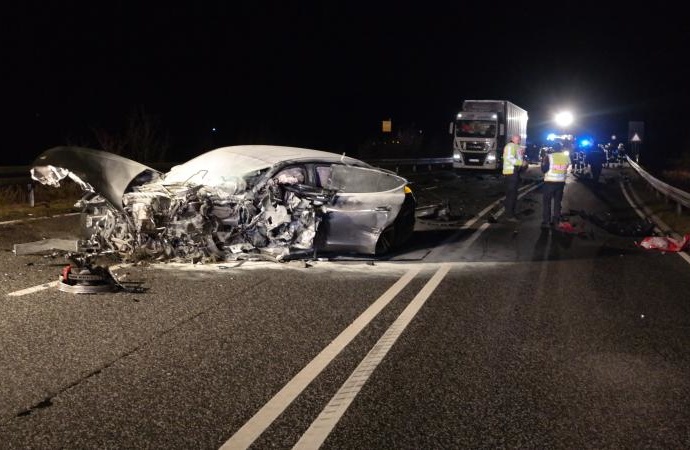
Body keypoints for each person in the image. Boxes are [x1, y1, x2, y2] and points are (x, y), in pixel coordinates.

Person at [541, 141, 571, 229]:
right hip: (561, 183)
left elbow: (544, 169)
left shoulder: (549, 157)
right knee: (557, 203)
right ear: (561, 149)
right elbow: (569, 168)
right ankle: (556, 222)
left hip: (549, 182)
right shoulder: (566, 157)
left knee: (547, 203)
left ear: (553, 149)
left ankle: (546, 222)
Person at [502, 134, 527, 221]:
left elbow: (518, 157)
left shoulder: (517, 146)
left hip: (514, 172)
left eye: (519, 139)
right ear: (512, 139)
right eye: (517, 138)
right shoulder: (510, 146)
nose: (519, 140)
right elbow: (509, 158)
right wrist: (521, 163)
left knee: (512, 194)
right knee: (512, 195)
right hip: (511, 172)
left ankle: (509, 212)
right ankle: (509, 216)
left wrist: (522, 162)